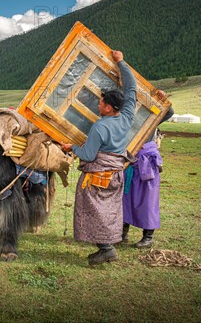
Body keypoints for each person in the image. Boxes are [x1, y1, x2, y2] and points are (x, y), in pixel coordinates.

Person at [62, 50, 137, 266]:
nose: (98, 104)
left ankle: (106, 249)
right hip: (116, 174)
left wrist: (71, 147)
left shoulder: (100, 127)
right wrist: (121, 62)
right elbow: (131, 88)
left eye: (101, 102)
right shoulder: (126, 116)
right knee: (108, 211)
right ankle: (107, 247)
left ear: (109, 107)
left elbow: (88, 154)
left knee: (94, 210)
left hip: (97, 177)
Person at [122, 90, 174, 248]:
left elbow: (168, 112)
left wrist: (163, 99)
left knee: (147, 199)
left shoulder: (149, 115)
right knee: (125, 198)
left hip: (146, 163)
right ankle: (122, 233)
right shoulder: (123, 116)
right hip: (128, 161)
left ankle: (148, 237)